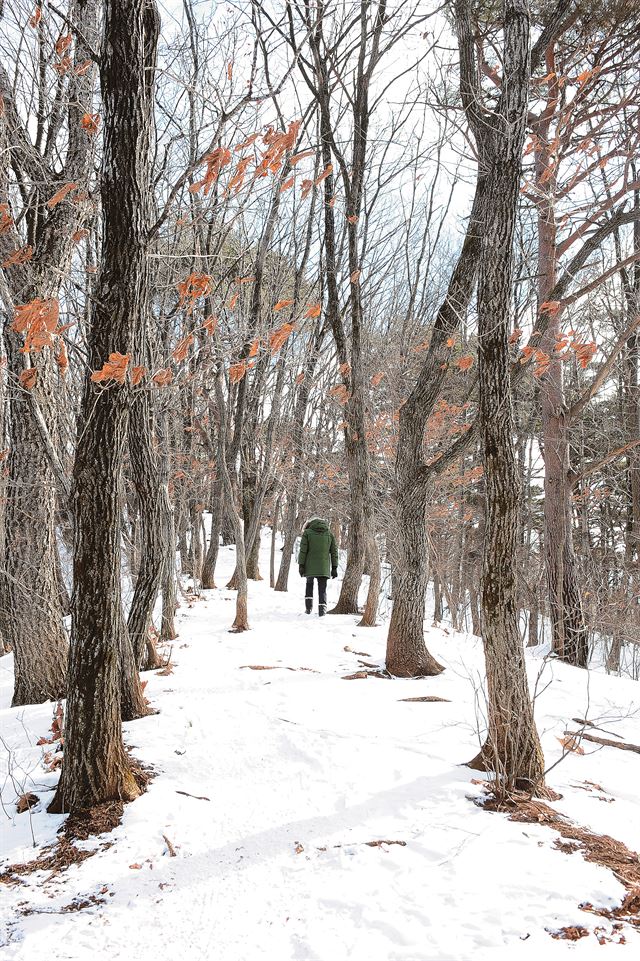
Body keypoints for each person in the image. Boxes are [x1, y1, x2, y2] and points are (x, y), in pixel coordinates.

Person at [298, 517, 338, 616]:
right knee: (322, 588)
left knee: (309, 585)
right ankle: (322, 611)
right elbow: (334, 552)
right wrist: (334, 567)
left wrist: (301, 565)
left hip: (310, 565)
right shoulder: (329, 534)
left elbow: (303, 551)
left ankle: (308, 608)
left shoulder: (307, 533)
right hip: (324, 567)